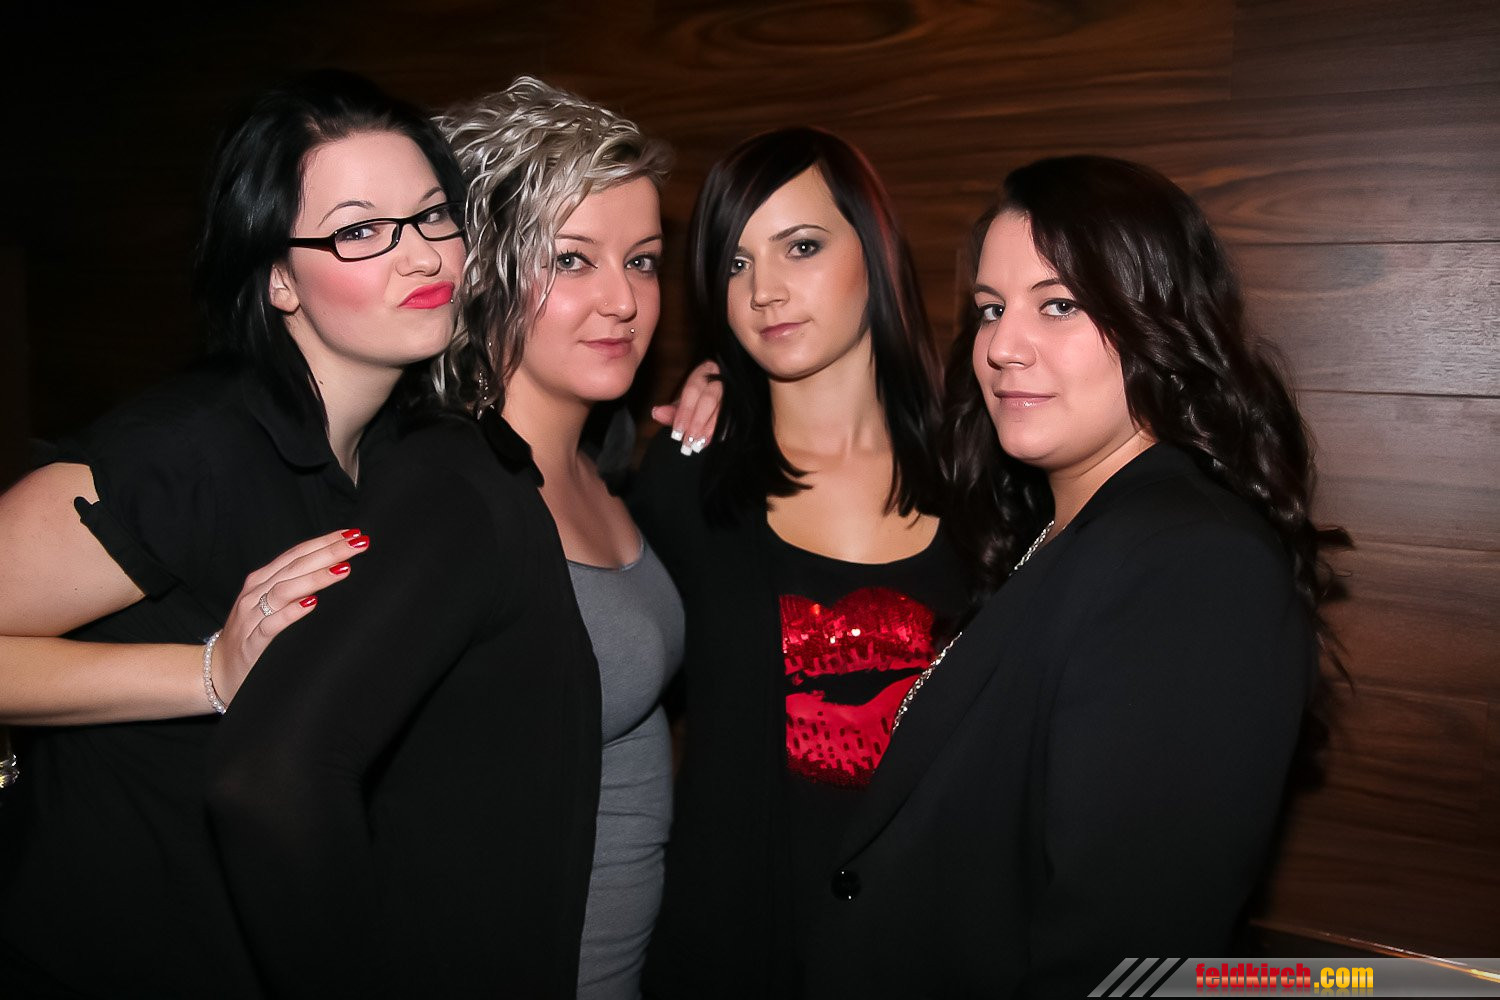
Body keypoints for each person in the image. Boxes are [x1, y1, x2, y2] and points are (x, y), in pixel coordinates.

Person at [799, 155, 1345, 998]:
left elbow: (1121, 957)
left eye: (1058, 305)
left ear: (1157, 319)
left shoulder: (1194, 566)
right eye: (990, 309)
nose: (1000, 347)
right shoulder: (1062, 528)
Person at [207, 78, 679, 999]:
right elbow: (269, 778)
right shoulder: (452, 491)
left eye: (645, 261)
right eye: (573, 260)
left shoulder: (600, 465)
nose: (623, 300)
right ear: (485, 268)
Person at [0, 70, 464, 997]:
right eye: (360, 231)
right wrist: (208, 672)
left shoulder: (394, 450)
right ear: (279, 278)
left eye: (432, 216)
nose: (421, 256)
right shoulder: (188, 451)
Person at [631, 127, 968, 998]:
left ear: (875, 251)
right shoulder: (687, 475)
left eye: (802, 247)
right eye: (736, 264)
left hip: (925, 952)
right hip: (730, 952)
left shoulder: (984, 478)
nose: (765, 291)